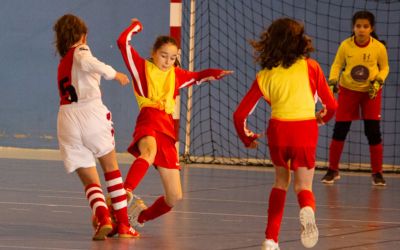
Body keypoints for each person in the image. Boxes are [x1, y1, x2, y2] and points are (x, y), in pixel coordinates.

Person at [115, 18, 232, 229]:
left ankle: (139, 218)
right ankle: (125, 193)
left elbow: (197, 77)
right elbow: (123, 42)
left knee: (175, 196)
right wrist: (136, 26)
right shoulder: (141, 67)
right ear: (153, 53)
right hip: (149, 119)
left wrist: (215, 73)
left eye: (173, 57)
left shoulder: (176, 75)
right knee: (148, 153)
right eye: (163, 55)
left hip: (167, 130)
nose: (167, 61)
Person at [233, 18, 337, 250]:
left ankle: (271, 240)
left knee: (280, 182)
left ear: (271, 42)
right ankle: (307, 210)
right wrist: (321, 118)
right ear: (300, 41)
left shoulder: (265, 75)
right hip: (305, 128)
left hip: (279, 130)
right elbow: (332, 106)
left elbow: (239, 115)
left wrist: (247, 138)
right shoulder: (312, 67)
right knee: (304, 187)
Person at [53, 14, 139, 240]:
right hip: (90, 114)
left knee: (89, 179)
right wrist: (114, 74)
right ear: (83, 35)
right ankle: (123, 225)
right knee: (111, 170)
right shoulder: (81, 51)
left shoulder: (63, 62)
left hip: (67, 119)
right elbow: (89, 63)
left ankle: (103, 217)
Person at [321, 10, 389, 186]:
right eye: (358, 26)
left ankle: (377, 173)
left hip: (371, 93)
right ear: (353, 27)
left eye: (365, 26)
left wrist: (379, 81)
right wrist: (332, 81)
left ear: (371, 28)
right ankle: (332, 170)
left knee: (373, 132)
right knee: (340, 130)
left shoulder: (378, 47)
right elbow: (337, 65)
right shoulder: (345, 45)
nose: (361, 29)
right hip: (348, 91)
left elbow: (385, 68)